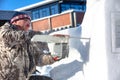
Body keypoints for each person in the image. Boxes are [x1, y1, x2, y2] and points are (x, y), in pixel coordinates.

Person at [0, 12, 58, 80]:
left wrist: (54, 57)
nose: (28, 22)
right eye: (25, 20)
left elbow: (38, 59)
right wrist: (31, 35)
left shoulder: (28, 40)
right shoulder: (4, 30)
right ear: (15, 21)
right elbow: (6, 37)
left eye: (29, 21)